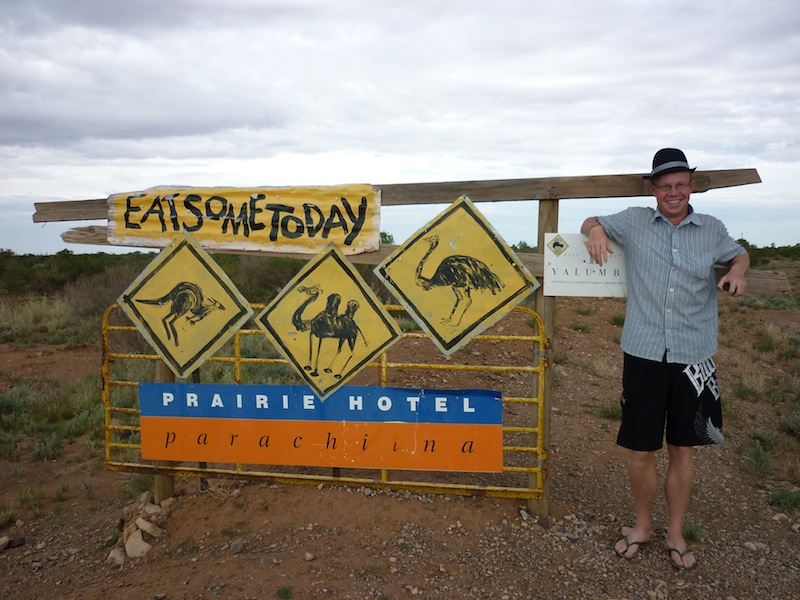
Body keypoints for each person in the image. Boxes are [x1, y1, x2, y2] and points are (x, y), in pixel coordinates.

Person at [580, 148, 750, 570]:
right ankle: (641, 526)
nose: (673, 193)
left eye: (680, 184)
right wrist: (596, 231)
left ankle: (674, 532)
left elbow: (739, 252)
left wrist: (738, 271)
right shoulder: (636, 220)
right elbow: (588, 221)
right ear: (653, 189)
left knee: (682, 450)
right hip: (644, 352)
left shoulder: (711, 229)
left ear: (691, 187)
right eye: (664, 186)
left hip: (694, 355)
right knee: (641, 450)